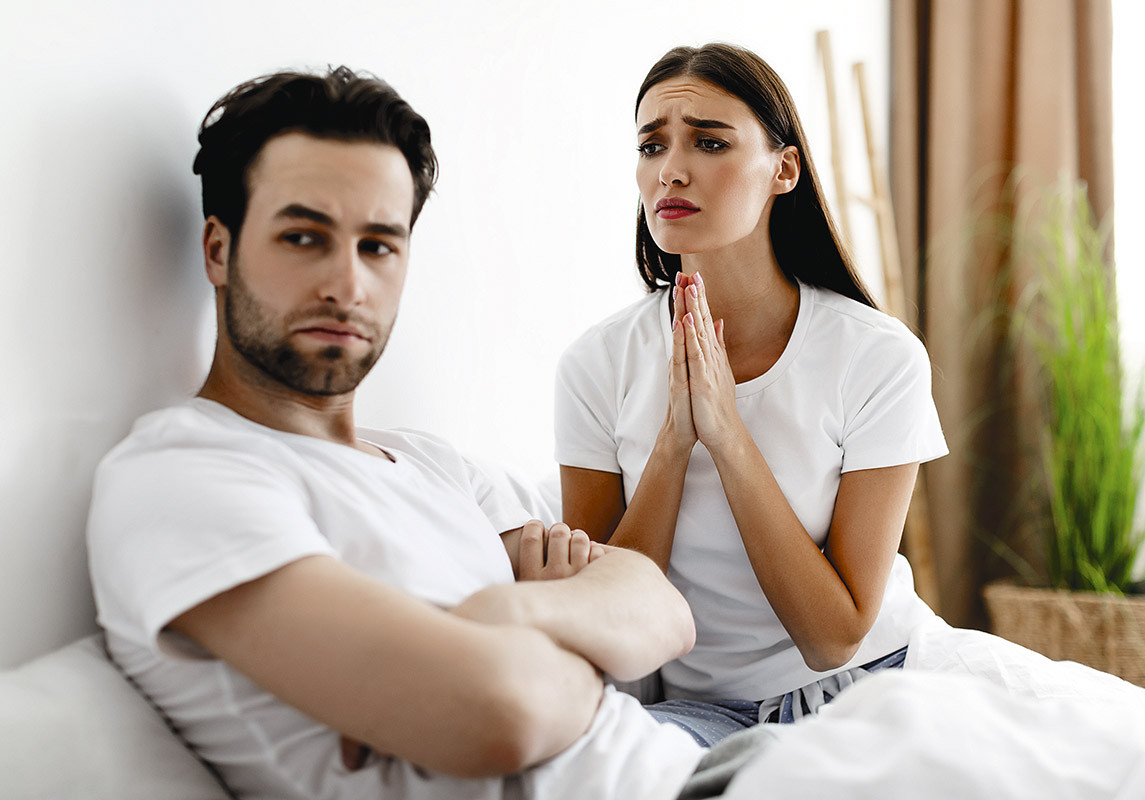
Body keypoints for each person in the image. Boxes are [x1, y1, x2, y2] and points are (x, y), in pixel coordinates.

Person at [85, 65, 726, 800]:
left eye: (378, 245)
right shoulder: (183, 474)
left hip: (702, 767)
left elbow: (661, 610)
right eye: (303, 237)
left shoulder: (427, 462)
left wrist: (499, 612)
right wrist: (560, 641)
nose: (347, 285)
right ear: (218, 250)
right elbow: (500, 713)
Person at [555, 42, 949, 745]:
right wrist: (674, 443)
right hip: (699, 711)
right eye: (651, 145)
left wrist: (728, 434)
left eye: (709, 142)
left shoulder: (879, 357)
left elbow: (833, 638)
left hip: (868, 685)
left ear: (783, 169)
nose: (671, 170)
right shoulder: (596, 364)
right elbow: (607, 620)